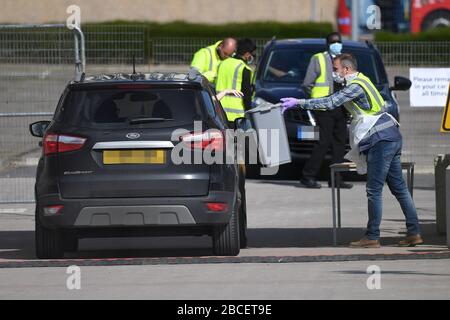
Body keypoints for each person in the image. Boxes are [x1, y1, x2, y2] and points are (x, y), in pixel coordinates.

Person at [280, 53, 423, 248]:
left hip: (380, 140)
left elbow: (330, 102)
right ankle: (414, 233)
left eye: (336, 69)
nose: (334, 73)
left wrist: (299, 103)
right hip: (391, 135)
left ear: (346, 69)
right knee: (400, 189)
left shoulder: (354, 87)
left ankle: (372, 236)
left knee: (374, 191)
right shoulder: (363, 80)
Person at [300, 32, 352, 189]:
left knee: (340, 143)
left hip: (340, 106)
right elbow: (307, 84)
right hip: (324, 107)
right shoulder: (319, 59)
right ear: (327, 44)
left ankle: (336, 178)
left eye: (338, 42)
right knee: (324, 142)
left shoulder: (346, 59)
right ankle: (307, 176)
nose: (336, 44)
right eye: (333, 42)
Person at [215, 38, 256, 127]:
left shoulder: (222, 63)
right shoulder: (244, 69)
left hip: (218, 112)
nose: (253, 57)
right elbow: (247, 96)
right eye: (253, 54)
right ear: (247, 54)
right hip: (237, 117)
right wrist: (249, 114)